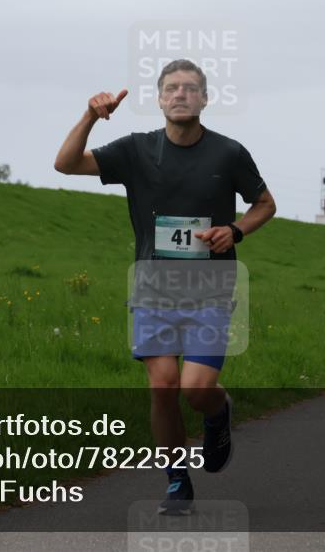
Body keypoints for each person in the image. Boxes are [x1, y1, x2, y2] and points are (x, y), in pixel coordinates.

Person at [54, 59, 276, 514]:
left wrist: (235, 230)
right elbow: (66, 164)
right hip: (153, 287)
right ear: (158, 99)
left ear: (205, 99)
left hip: (210, 287)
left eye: (190, 88)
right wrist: (90, 116)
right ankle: (177, 479)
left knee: (196, 388)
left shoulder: (229, 153)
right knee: (163, 386)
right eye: (171, 88)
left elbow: (265, 203)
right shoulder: (137, 150)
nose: (180, 94)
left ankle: (217, 411)